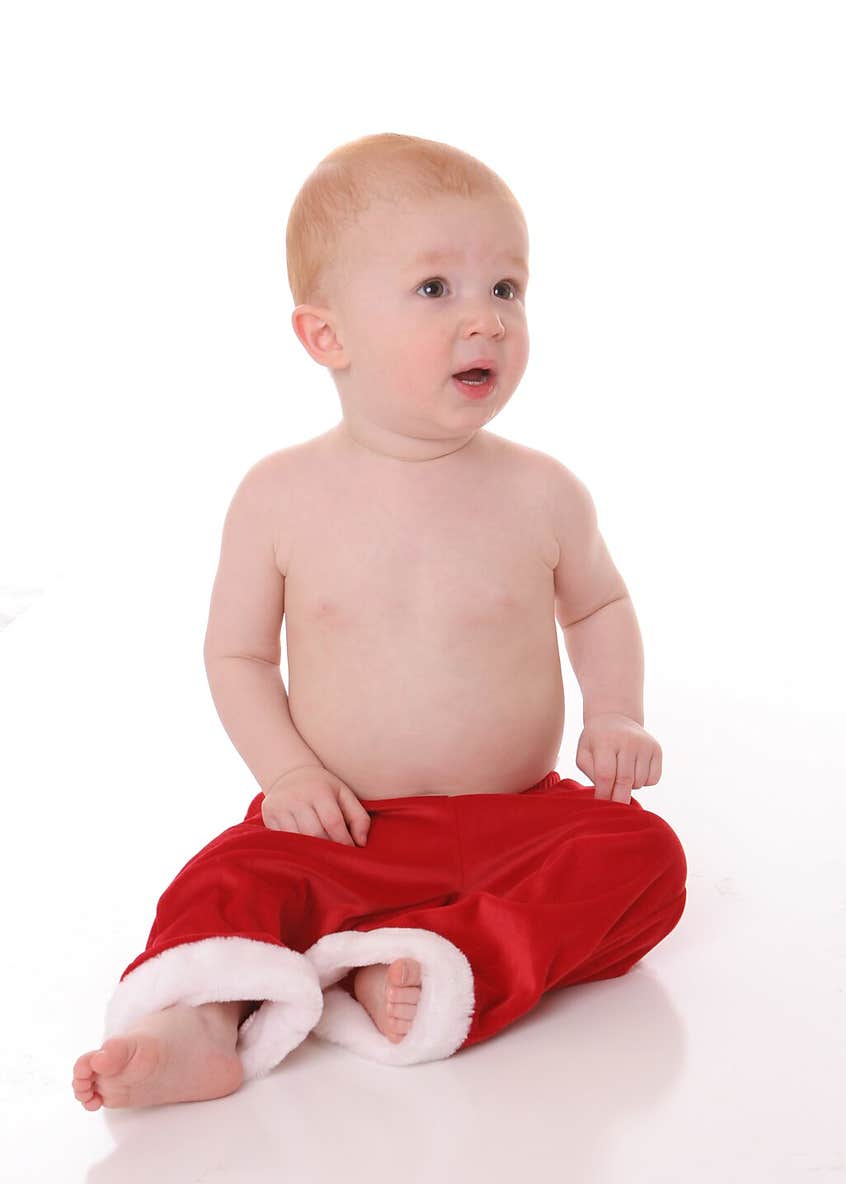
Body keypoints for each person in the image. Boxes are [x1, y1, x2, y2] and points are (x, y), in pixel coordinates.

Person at [72, 132, 687, 1111]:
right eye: (435, 289)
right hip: (345, 826)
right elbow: (235, 655)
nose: (484, 319)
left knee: (642, 862)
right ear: (327, 337)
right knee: (228, 876)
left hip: (518, 819)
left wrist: (614, 711)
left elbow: (601, 604)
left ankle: (419, 965)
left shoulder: (542, 492)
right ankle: (192, 1023)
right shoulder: (280, 495)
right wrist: (289, 774)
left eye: (507, 288)